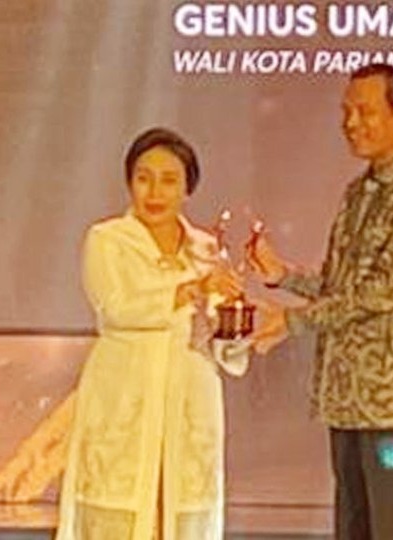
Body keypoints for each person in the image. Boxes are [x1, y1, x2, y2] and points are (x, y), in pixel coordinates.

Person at [247, 64, 393, 540]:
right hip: (350, 399)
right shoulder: (359, 191)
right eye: (346, 111)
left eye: (365, 111)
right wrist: (284, 276)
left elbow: (384, 290)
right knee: (355, 528)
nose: (351, 123)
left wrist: (294, 321)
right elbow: (344, 283)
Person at [55, 127, 242, 540]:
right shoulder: (107, 240)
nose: (155, 192)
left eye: (169, 180)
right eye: (144, 178)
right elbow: (117, 307)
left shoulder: (207, 249)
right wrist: (189, 289)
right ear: (129, 182)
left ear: (187, 189)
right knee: (117, 510)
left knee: (182, 509)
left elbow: (226, 345)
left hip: (188, 399)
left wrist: (235, 320)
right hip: (126, 392)